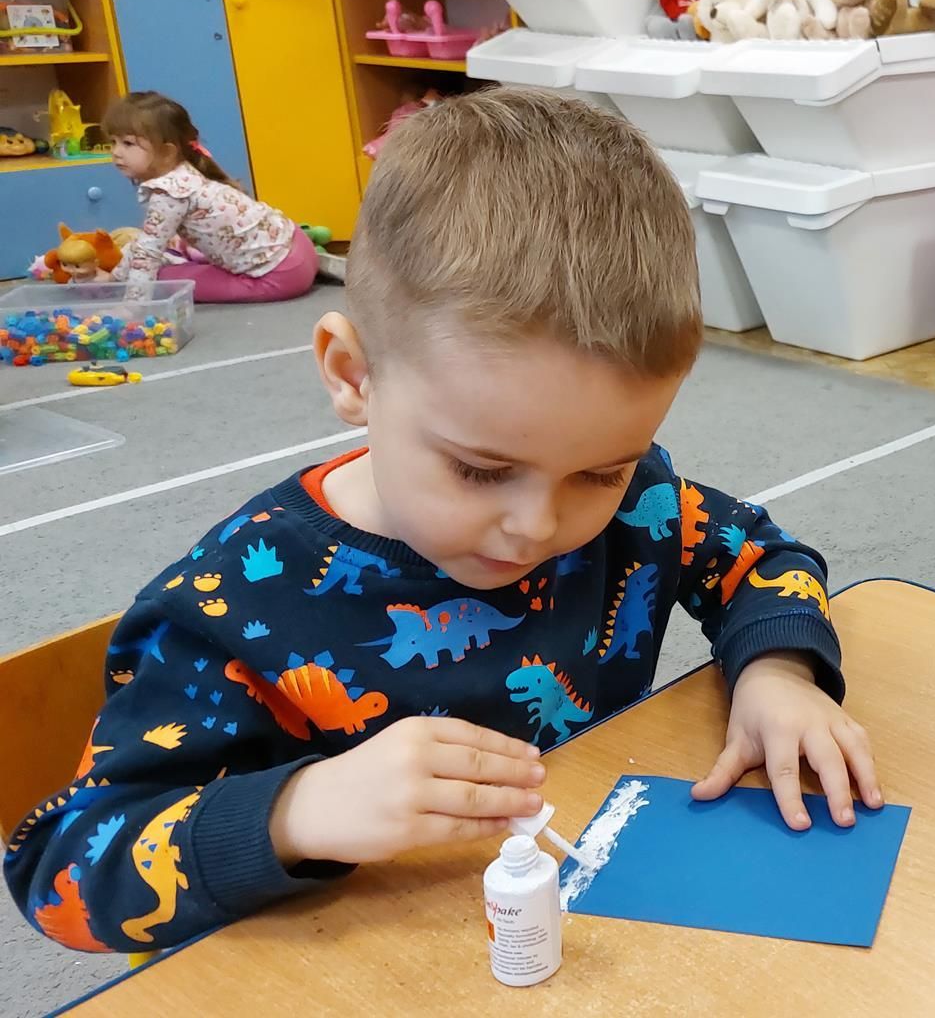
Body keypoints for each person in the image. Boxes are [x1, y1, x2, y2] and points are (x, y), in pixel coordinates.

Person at [8, 88, 879, 954]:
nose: (536, 526)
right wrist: (295, 812)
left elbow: (760, 554)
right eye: (481, 470)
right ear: (352, 375)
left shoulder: (636, 502)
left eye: (600, 471)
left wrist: (779, 671)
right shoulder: (226, 606)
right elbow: (62, 874)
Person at [103, 92, 317, 303]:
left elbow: (147, 255)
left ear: (167, 152)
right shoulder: (183, 173)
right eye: (113, 142)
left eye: (128, 143)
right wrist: (114, 280)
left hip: (279, 275)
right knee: (154, 248)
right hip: (298, 246)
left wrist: (133, 310)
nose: (116, 152)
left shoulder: (169, 194)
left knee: (164, 278)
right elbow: (146, 243)